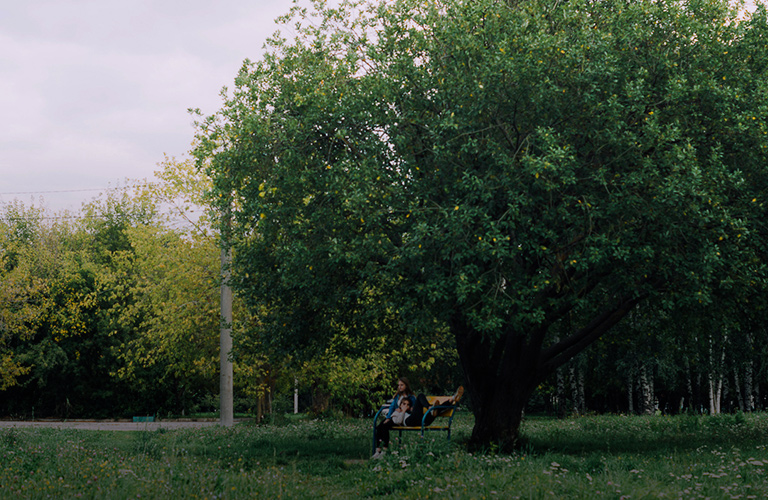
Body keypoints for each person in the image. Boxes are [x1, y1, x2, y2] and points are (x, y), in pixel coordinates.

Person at [373, 377, 416, 458]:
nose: (400, 387)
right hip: (395, 416)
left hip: (403, 418)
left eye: (402, 385)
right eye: (399, 385)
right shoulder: (398, 396)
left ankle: (384, 451)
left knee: (385, 426)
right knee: (379, 427)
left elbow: (413, 410)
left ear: (406, 386)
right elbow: (392, 407)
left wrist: (403, 409)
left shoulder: (411, 397)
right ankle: (378, 450)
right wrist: (388, 417)